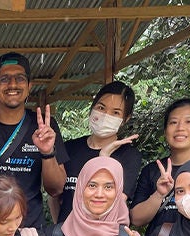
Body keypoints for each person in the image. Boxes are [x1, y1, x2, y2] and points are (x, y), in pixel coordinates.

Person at [0, 52, 67, 230]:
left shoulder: (45, 125)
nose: (13, 84)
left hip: (31, 230)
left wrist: (47, 152)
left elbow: (56, 189)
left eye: (19, 78)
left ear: (29, 86)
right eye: (4, 79)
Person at [130, 98, 190, 236]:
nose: (180, 128)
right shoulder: (153, 170)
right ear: (165, 131)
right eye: (173, 122)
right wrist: (159, 194)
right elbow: (136, 219)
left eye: (189, 122)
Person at [51, 81, 142, 224]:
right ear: (92, 107)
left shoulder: (129, 156)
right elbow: (55, 197)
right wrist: (59, 229)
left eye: (116, 112)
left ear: (126, 119)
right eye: (101, 107)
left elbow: (115, 205)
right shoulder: (69, 148)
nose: (106, 115)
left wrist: (103, 158)